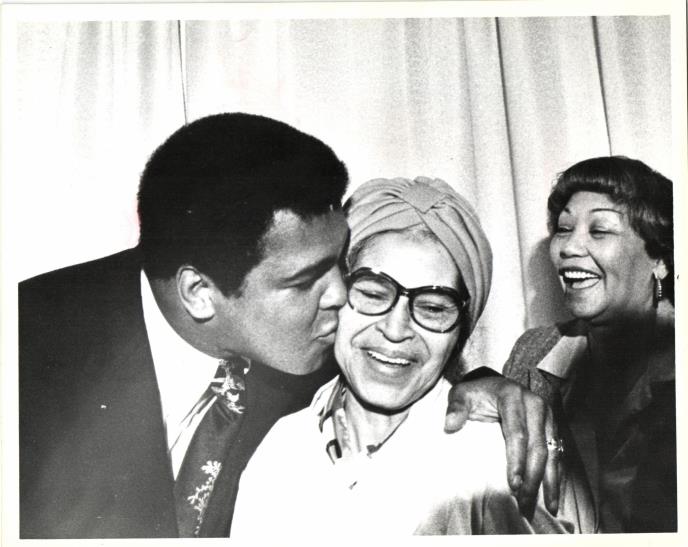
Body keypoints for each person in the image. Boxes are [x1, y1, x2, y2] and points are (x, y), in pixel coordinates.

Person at [19, 113, 556, 539]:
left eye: (339, 263)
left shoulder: (312, 343)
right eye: (305, 281)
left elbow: (402, 352)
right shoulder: (26, 351)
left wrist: (484, 384)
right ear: (200, 293)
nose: (342, 296)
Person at [232, 177, 585, 536]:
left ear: (460, 333)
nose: (396, 329)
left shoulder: (492, 459)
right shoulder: (279, 449)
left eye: (432, 308)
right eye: (372, 293)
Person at [503, 156, 675, 532]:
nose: (569, 247)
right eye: (564, 229)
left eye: (599, 231)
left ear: (660, 259)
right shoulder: (533, 354)